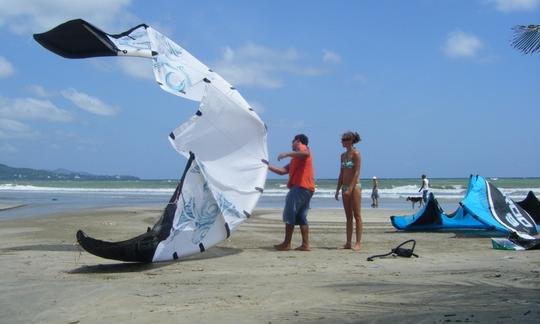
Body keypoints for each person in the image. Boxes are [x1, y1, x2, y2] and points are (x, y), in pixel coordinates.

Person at [264, 134, 315, 251]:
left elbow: (305, 153)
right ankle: (305, 244)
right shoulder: (295, 160)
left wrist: (286, 154)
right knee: (302, 217)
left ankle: (287, 244)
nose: (292, 144)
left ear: (297, 141)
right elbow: (282, 171)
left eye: (293, 141)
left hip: (300, 188)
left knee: (289, 215)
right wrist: (266, 166)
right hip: (307, 189)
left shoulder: (303, 149)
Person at [334, 131, 362, 251]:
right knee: (348, 217)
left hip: (354, 187)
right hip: (344, 187)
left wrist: (350, 188)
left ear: (351, 141)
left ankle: (358, 242)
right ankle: (348, 242)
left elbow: (356, 172)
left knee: (357, 215)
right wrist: (338, 189)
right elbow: (341, 173)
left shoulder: (356, 153)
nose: (343, 142)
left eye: (345, 140)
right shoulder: (342, 156)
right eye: (342, 140)